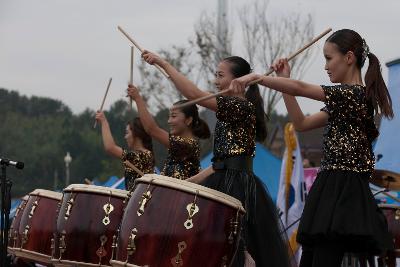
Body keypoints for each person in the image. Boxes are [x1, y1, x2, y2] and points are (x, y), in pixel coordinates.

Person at [229, 29, 394, 267]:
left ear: (349, 57)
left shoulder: (352, 95)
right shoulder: (344, 101)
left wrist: (257, 77)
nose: (326, 66)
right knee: (312, 258)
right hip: (330, 185)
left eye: (329, 58)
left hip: (342, 190)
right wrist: (284, 80)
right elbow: (301, 123)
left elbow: (299, 87)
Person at [142, 51, 291, 267]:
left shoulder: (239, 107)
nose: (216, 81)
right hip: (224, 181)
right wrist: (184, 184)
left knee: (231, 252)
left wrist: (163, 63)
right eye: (216, 75)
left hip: (236, 189)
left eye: (220, 75)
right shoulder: (230, 110)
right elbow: (219, 165)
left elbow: (193, 93)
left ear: (237, 79)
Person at [127, 85, 210, 180]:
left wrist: (138, 99)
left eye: (173, 116)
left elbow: (151, 129)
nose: (169, 121)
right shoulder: (181, 145)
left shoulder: (187, 145)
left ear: (188, 120)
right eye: (169, 117)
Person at [95, 112, 155, 190]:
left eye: (127, 133)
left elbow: (110, 147)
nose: (125, 137)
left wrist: (104, 121)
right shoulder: (143, 154)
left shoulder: (143, 155)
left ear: (136, 134)